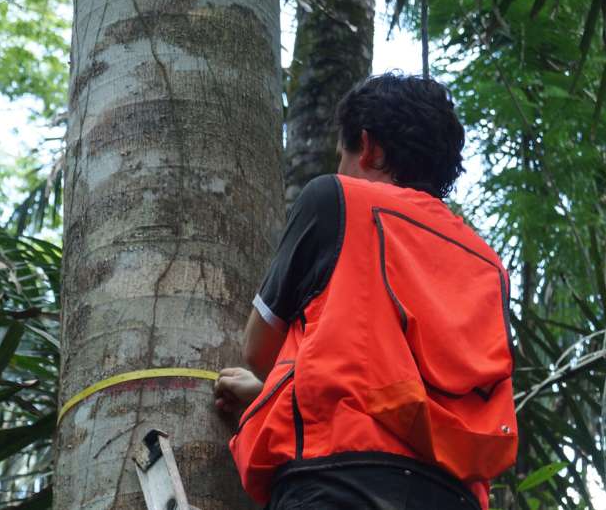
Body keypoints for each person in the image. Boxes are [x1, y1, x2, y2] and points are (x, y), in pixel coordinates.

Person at [214, 73, 517, 510]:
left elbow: (259, 347)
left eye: (343, 155)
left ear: (369, 146)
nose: (341, 169)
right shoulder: (489, 266)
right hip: (454, 495)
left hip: (339, 479)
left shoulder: (338, 199)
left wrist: (268, 386)